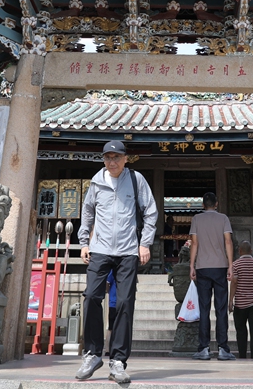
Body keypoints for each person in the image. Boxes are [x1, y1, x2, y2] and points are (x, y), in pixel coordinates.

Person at [76, 140, 158, 385]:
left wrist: (145, 243)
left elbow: (150, 211)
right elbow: (88, 211)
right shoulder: (97, 181)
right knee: (91, 296)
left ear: (125, 159)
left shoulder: (136, 180)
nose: (112, 162)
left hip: (127, 250)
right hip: (99, 249)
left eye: (116, 157)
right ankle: (92, 354)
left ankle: (118, 360)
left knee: (124, 302)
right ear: (103, 159)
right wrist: (83, 242)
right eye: (107, 157)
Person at [189, 192, 235, 361]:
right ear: (216, 203)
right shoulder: (223, 218)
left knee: (204, 308)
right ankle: (223, 348)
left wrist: (191, 265)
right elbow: (228, 242)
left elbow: (194, 243)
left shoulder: (196, 219)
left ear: (203, 205)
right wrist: (230, 265)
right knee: (221, 309)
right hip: (220, 266)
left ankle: (204, 348)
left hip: (202, 267)